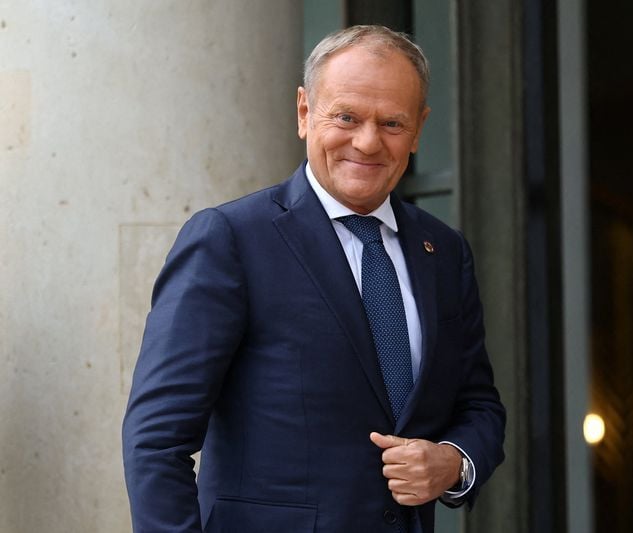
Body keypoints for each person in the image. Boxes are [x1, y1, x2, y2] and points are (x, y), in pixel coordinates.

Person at [122, 25, 505, 533]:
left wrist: (454, 462)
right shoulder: (231, 240)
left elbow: (479, 405)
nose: (367, 142)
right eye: (346, 117)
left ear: (418, 130)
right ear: (305, 112)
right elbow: (155, 441)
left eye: (392, 123)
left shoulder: (443, 251)